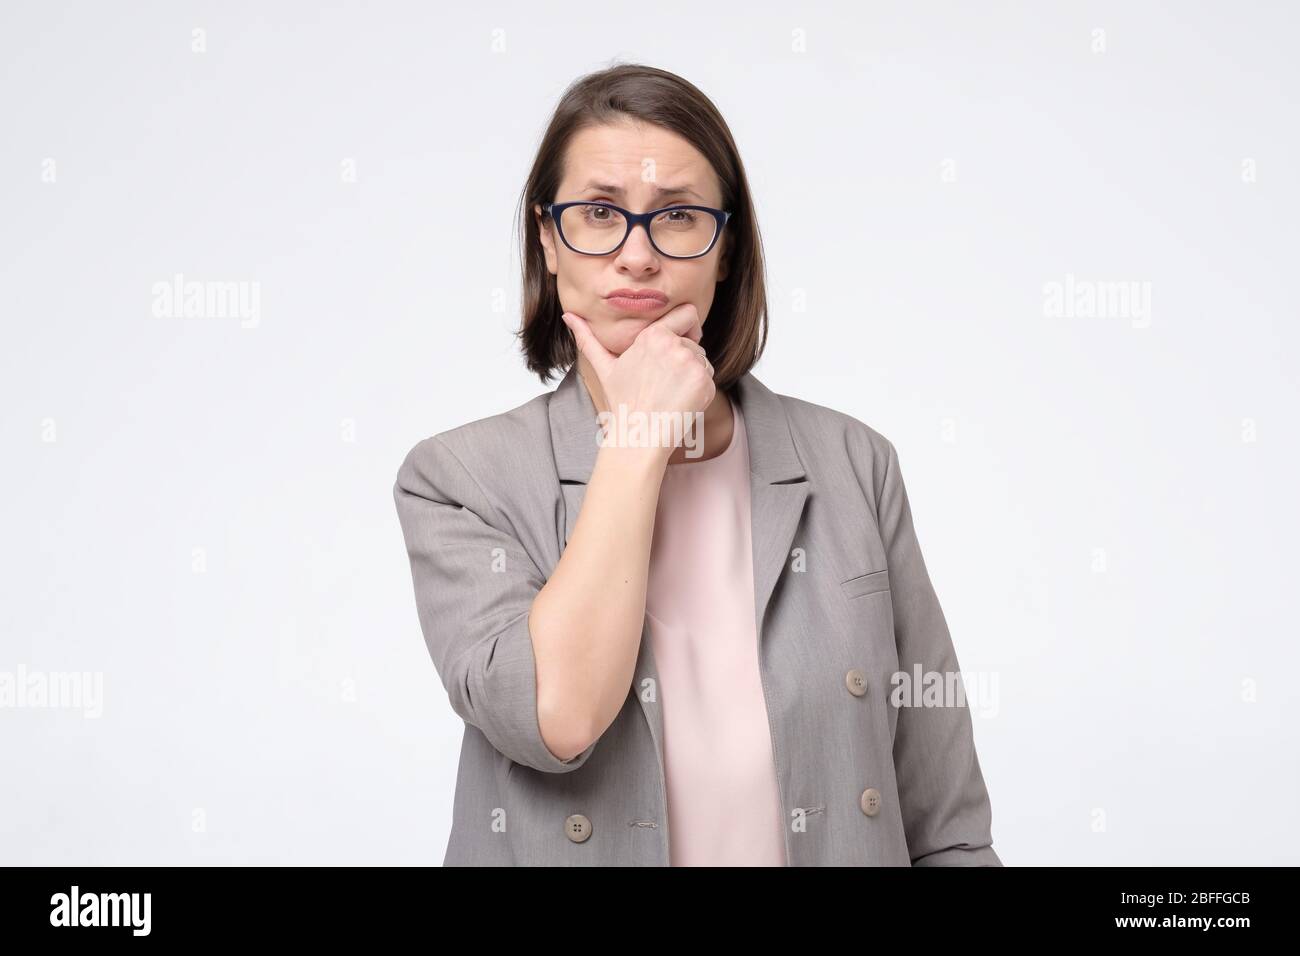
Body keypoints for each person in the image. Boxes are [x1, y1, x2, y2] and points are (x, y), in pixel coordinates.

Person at [393, 62, 1001, 866]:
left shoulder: (855, 464)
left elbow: (947, 827)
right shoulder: (458, 478)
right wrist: (640, 439)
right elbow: (558, 719)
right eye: (600, 213)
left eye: (676, 216)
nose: (636, 255)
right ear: (547, 239)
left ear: (725, 248)